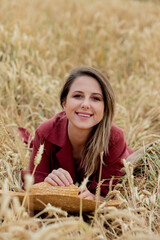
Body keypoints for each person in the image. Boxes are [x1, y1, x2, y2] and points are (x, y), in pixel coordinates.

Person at [21, 66, 134, 200]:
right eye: (77, 96)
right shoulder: (46, 133)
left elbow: (109, 197)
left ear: (105, 108)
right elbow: (33, 186)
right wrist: (48, 182)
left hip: (124, 158)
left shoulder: (114, 139)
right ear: (64, 103)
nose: (85, 104)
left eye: (96, 98)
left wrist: (94, 198)